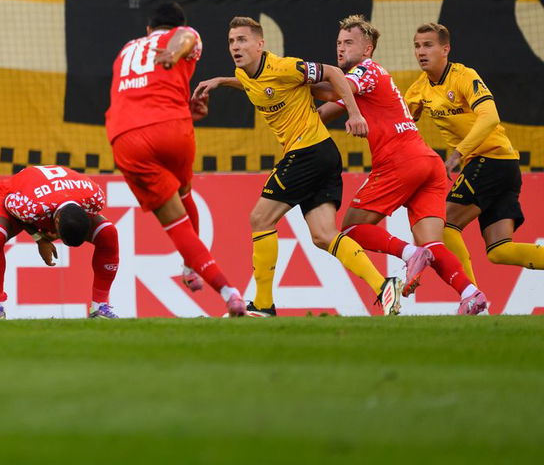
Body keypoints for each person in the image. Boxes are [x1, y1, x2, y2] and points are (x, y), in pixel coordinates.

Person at [192, 17, 391, 317]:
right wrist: (221, 81)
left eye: (242, 40)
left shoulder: (285, 67)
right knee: (324, 235)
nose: (235, 46)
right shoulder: (244, 73)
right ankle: (383, 285)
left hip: (306, 152)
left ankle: (262, 305)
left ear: (260, 44)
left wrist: (354, 114)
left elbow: (334, 72)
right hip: (324, 154)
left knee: (260, 218)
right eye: (232, 41)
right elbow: (252, 84)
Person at [311, 17, 488, 314]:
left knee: (351, 228)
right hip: (427, 163)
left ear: (367, 49)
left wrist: (291, 77)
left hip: (400, 161)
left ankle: (409, 253)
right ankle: (471, 293)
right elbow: (323, 113)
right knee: (432, 244)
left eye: (349, 43)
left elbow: (331, 90)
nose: (341, 48)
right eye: (339, 43)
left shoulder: (366, 70)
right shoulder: (363, 84)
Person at [105, 3, 248, 316]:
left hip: (126, 137)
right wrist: (173, 54)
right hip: (172, 129)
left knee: (176, 224)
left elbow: (139, 94)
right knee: (184, 194)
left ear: (148, 30)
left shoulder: (126, 50)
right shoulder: (184, 36)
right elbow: (185, 38)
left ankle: (229, 293)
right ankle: (190, 267)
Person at [405, 22, 543, 282]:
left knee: (444, 224)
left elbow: (490, 117)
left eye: (428, 45)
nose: (421, 51)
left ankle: (470, 295)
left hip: (491, 160)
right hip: (502, 167)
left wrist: (457, 154)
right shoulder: (418, 90)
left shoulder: (464, 76)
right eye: (417, 46)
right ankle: (472, 295)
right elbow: (401, 129)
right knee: (500, 250)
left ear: (445, 49)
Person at [0, 165, 117, 318]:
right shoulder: (30, 207)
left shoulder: (95, 198)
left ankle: (100, 307)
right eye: (59, 236)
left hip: (62, 194)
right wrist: (39, 238)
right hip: (12, 194)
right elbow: (11, 207)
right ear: (55, 222)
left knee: (108, 232)